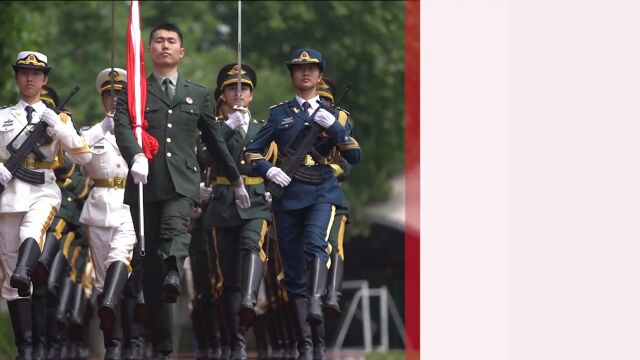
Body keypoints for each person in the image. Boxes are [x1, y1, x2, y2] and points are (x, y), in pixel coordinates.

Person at [113, 23, 249, 358]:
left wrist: (235, 178)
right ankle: (164, 347)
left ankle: (176, 267)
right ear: (149, 49)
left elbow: (214, 140)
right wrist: (136, 156)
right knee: (152, 274)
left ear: (181, 51)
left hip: (182, 183)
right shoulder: (134, 91)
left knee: (174, 231)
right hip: (145, 184)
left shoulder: (198, 93)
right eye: (158, 40)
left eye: (171, 41)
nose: (164, 46)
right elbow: (121, 128)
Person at [244, 48, 361, 359]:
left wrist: (335, 129)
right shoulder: (279, 114)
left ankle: (316, 301)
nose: (305, 73)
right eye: (299, 68)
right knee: (294, 273)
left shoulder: (335, 114)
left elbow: (354, 156)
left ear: (320, 75)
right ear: (292, 75)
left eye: (311, 68)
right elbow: (252, 151)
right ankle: (309, 346)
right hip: (289, 196)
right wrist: (269, 170)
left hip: (322, 191)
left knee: (315, 246)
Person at [0, 50, 91, 359]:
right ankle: (25, 348)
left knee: (33, 229)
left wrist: (61, 127)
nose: (30, 78)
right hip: (9, 193)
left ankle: (27, 268)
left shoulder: (58, 117)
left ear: (45, 79)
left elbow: (83, 156)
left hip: (43, 189)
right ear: (17, 77)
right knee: (12, 278)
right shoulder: (2, 116)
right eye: (24, 72)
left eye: (36, 74)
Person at [201, 63, 274, 360]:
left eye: (244, 88)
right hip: (223, 203)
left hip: (255, 201)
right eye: (233, 88)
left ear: (252, 95)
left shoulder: (262, 128)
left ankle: (249, 298)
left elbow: (275, 162)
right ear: (223, 94)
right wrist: (226, 128)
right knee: (227, 278)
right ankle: (237, 342)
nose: (239, 93)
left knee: (252, 245)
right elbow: (203, 156)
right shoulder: (214, 127)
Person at [78, 67, 138, 358]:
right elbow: (73, 153)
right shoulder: (90, 133)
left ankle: (133, 343)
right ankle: (114, 345)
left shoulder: (140, 133)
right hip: (100, 207)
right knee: (103, 282)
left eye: (120, 95)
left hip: (129, 205)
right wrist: (102, 128)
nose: (115, 100)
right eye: (109, 95)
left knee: (120, 258)